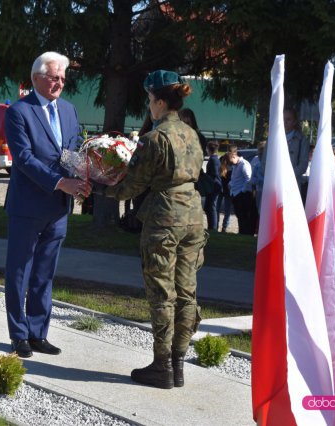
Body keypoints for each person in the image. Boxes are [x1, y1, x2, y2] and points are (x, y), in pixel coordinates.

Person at [103, 70, 206, 389]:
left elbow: (131, 186)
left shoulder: (155, 138)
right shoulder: (190, 133)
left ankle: (162, 365)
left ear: (161, 102)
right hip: (193, 215)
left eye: (150, 101)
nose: (149, 107)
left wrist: (97, 187)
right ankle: (177, 364)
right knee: (187, 292)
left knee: (163, 292)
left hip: (165, 217)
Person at [4, 51, 90, 358]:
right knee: (19, 272)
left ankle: (39, 333)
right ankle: (19, 334)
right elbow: (24, 159)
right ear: (36, 78)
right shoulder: (19, 112)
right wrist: (59, 182)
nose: (59, 84)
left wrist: (86, 175)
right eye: (54, 78)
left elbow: (73, 152)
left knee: (44, 273)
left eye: (63, 79)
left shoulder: (68, 110)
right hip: (27, 206)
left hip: (58, 209)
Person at [228, 145, 255, 235]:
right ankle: (241, 232)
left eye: (230, 160)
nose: (230, 163)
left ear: (234, 156)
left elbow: (248, 179)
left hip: (242, 195)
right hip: (235, 194)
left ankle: (245, 233)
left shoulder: (244, 164)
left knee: (244, 216)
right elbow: (235, 178)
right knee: (239, 216)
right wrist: (230, 184)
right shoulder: (235, 165)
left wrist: (242, 191)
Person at [203, 141, 222, 230]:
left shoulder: (213, 159)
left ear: (208, 149)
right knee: (208, 207)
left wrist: (206, 177)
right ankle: (211, 226)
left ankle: (213, 227)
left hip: (214, 186)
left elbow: (215, 174)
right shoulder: (214, 158)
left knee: (211, 207)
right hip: (213, 186)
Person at [217, 153, 233, 232]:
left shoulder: (221, 167)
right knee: (227, 210)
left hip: (220, 189)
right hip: (228, 190)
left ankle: (216, 224)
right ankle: (224, 227)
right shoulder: (232, 168)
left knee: (217, 208)